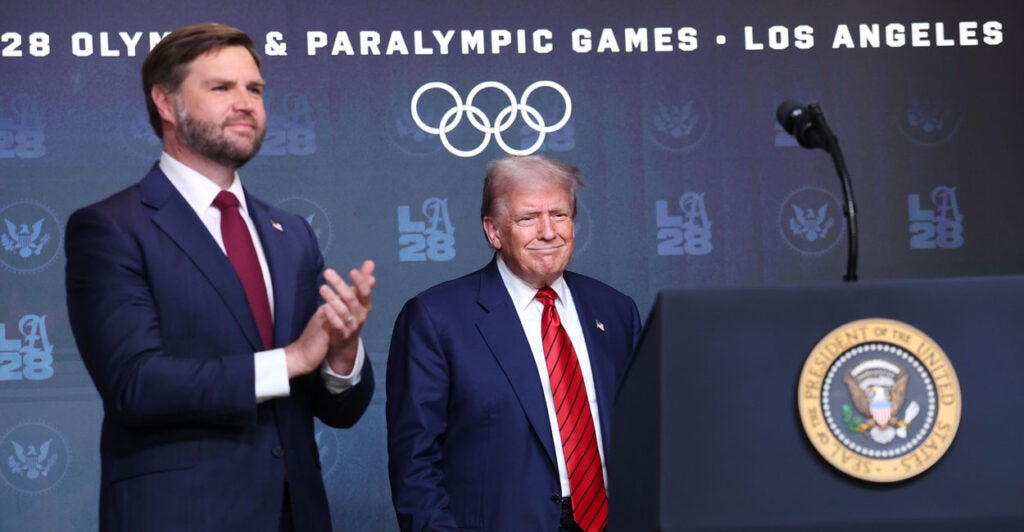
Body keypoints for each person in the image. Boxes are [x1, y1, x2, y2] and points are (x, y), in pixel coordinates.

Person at [64, 23, 375, 531]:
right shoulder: (111, 227)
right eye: (221, 87)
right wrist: (292, 358)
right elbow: (135, 384)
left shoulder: (290, 232)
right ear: (165, 103)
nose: (246, 103)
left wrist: (340, 353)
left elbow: (339, 411)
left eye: (254, 89)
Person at [386, 155, 642, 531]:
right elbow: (415, 463)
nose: (548, 231)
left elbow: (643, 437)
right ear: (494, 232)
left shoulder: (616, 310)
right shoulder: (435, 318)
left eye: (559, 214)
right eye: (527, 218)